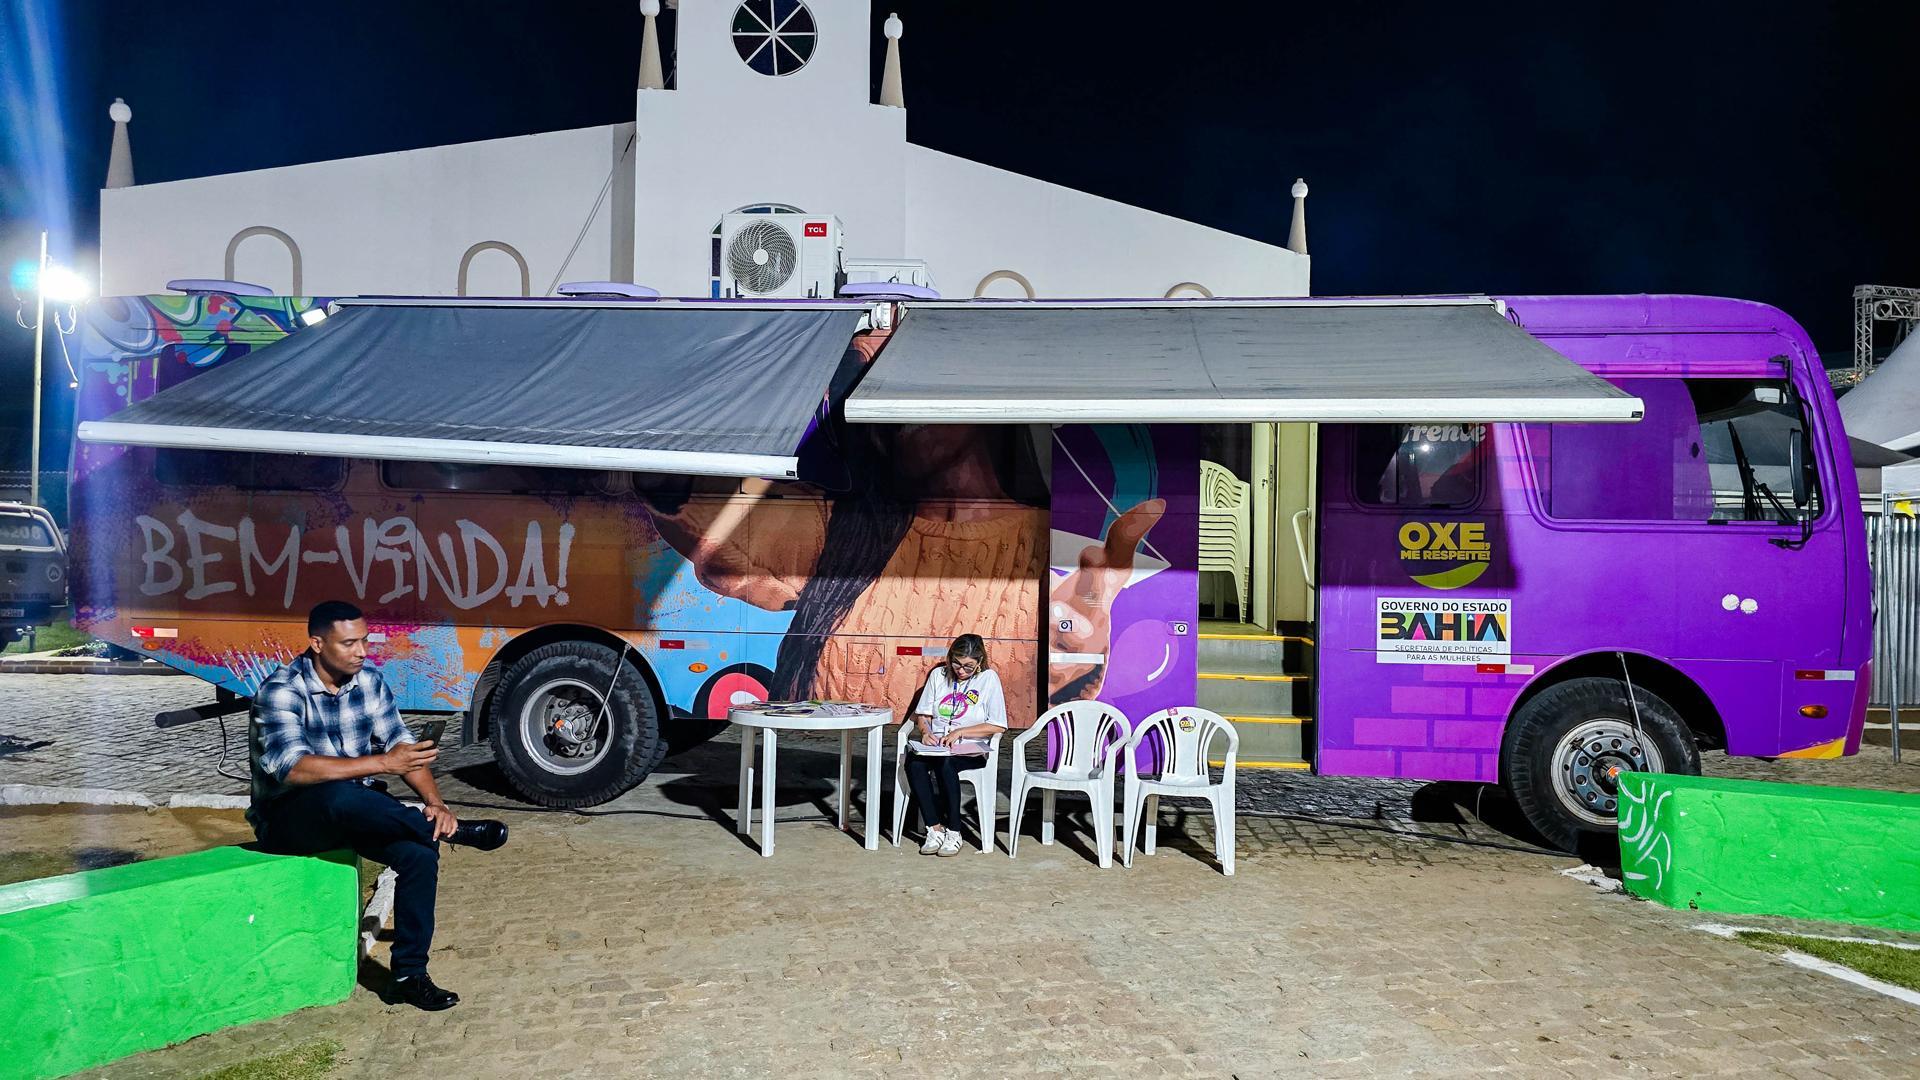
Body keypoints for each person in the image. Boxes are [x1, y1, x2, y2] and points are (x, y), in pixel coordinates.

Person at [248, 600, 508, 1011]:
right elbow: (291, 768)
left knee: (419, 853)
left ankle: (408, 975)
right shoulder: (281, 690)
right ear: (317, 643)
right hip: (289, 818)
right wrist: (384, 763)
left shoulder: (368, 681)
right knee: (338, 794)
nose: (362, 652)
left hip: (356, 808)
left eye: (365, 641)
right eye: (349, 643)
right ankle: (452, 832)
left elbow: (402, 749)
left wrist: (436, 804)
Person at [902, 634, 1008, 856]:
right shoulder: (938, 676)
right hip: (938, 745)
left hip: (970, 747)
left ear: (979, 662)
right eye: (957, 664)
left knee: (946, 764)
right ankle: (934, 829)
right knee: (914, 763)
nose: (961, 670)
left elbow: (997, 725)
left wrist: (961, 732)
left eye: (968, 666)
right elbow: (923, 714)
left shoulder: (988, 679)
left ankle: (954, 831)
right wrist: (925, 732)